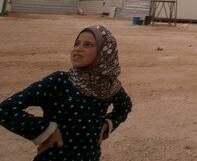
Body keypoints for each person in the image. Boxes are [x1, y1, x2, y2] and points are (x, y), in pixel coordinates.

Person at [0, 25, 132, 160]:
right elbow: (5, 110)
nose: (78, 48)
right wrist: (45, 130)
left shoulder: (108, 86)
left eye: (88, 45)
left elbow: (125, 105)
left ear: (104, 52)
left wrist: (108, 124)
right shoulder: (59, 81)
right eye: (76, 43)